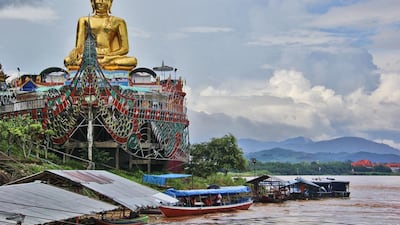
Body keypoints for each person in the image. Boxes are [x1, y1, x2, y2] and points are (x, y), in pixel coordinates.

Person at [64, 0, 137, 70]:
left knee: (132, 61)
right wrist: (75, 52)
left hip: (109, 57)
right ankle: (99, 63)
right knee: (68, 60)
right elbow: (80, 47)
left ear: (110, 2)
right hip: (89, 56)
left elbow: (125, 49)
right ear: (92, 2)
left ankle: (99, 63)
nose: (100, 2)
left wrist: (110, 56)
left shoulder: (119, 21)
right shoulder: (84, 20)